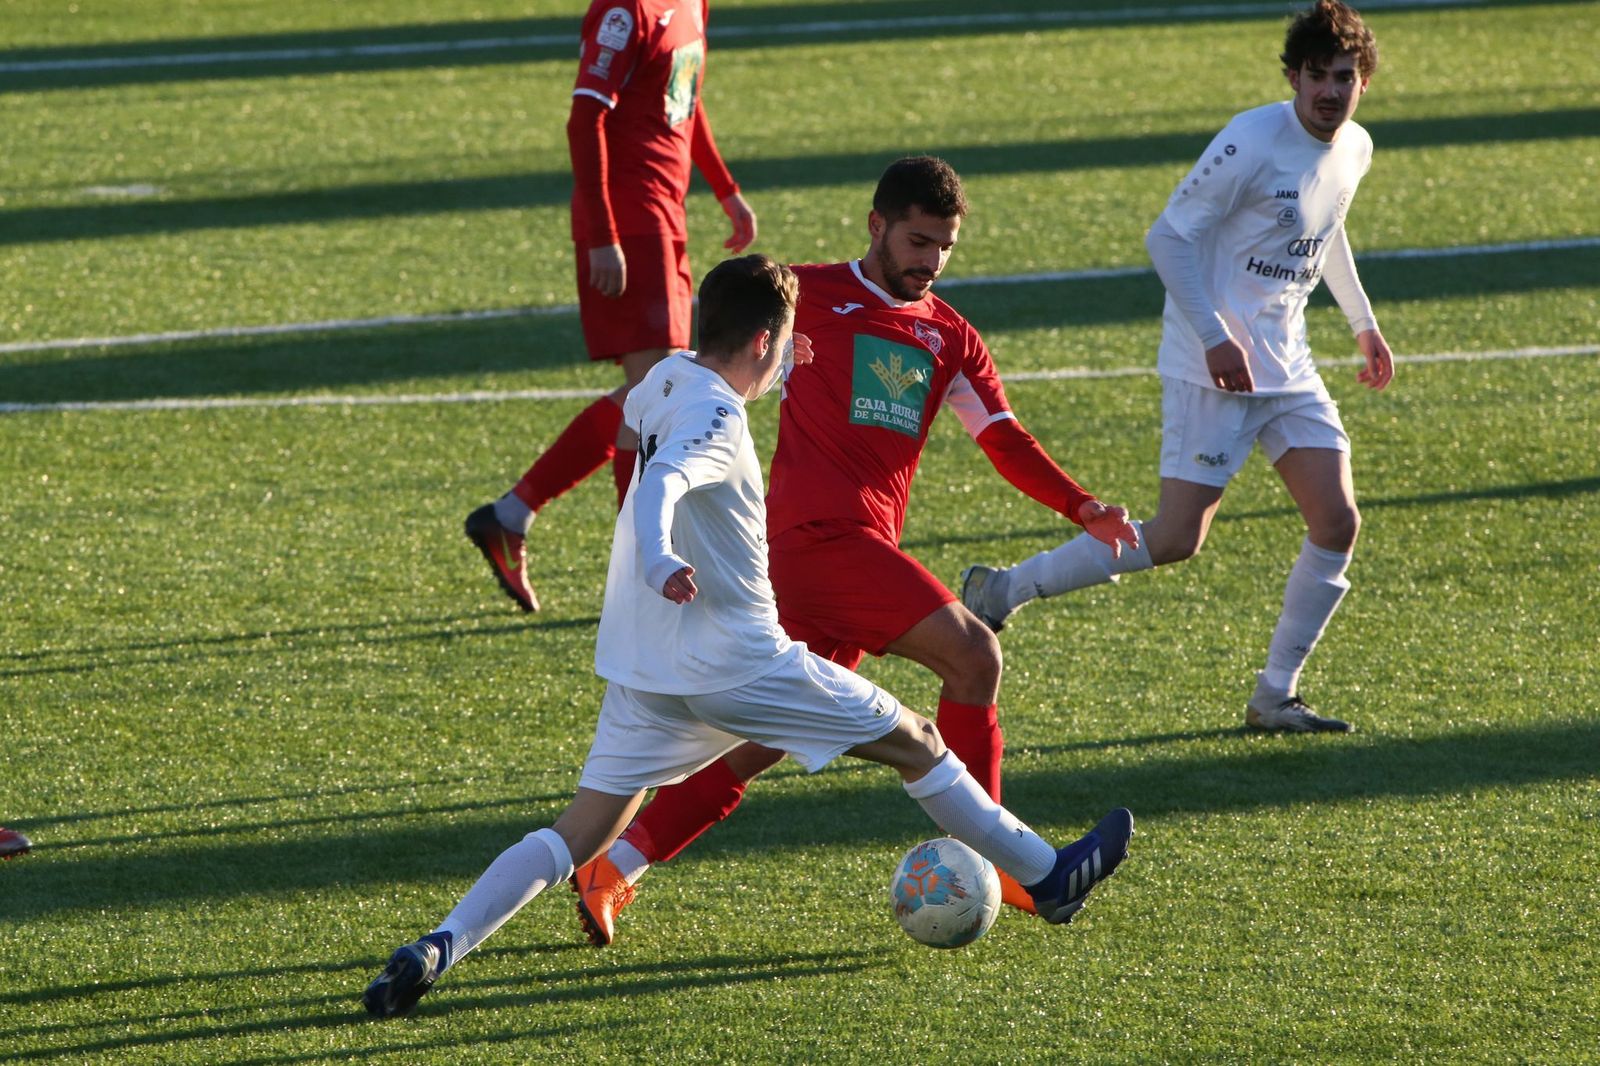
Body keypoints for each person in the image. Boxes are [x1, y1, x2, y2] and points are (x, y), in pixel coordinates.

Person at [362, 256, 1134, 1018]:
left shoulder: (666, 376)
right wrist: (660, 550)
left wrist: (635, 522)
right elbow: (670, 478)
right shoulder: (720, 418)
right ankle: (1048, 876)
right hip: (740, 663)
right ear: (765, 341)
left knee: (576, 832)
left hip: (647, 670)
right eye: (788, 347)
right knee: (919, 740)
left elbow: (632, 434)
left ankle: (439, 946)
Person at [567, 156, 1139, 947]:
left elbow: (1002, 438)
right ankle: (1017, 867)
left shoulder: (950, 336)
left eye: (944, 246)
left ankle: (615, 864)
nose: (929, 261)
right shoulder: (804, 299)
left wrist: (1079, 504)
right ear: (876, 227)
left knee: (758, 740)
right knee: (974, 658)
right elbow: (698, 366)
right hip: (816, 543)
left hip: (837, 562)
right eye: (916, 240)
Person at [961, 0, 1393, 734]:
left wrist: (1363, 322)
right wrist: (1215, 335)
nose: (1329, 91)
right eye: (1316, 76)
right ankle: (1003, 589)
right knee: (1173, 539)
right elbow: (1167, 239)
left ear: (1364, 83)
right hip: (1210, 367)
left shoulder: (1354, 146)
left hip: (1288, 367)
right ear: (1293, 77)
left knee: (1337, 519)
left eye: (1343, 77)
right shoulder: (1251, 142)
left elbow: (1330, 224)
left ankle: (1274, 696)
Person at [465, 0, 756, 612]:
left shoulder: (692, 5)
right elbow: (584, 119)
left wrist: (725, 190)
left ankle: (520, 518)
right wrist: (603, 233)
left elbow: (684, 99)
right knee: (657, 389)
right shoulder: (625, 11)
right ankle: (624, 557)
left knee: (653, 393)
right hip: (631, 220)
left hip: (666, 218)